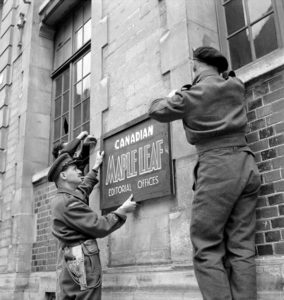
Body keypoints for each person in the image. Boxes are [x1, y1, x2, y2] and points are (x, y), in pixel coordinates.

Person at [148, 46, 261, 300]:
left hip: (216, 167)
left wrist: (176, 93)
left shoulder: (191, 96)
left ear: (196, 65)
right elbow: (232, 78)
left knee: (206, 245)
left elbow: (155, 109)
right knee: (242, 246)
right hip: (246, 162)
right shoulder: (234, 85)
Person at [48, 151, 137, 299]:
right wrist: (122, 210)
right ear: (63, 176)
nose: (79, 170)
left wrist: (95, 168)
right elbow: (99, 225)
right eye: (74, 169)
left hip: (73, 257)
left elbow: (82, 192)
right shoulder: (68, 202)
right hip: (80, 259)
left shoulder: (64, 198)